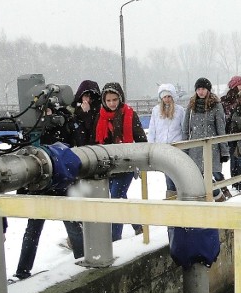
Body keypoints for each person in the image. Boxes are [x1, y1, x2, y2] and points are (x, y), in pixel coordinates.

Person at [14, 83, 92, 280]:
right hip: (42, 182)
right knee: (35, 229)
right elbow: (25, 152)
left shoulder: (63, 120)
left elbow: (72, 146)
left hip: (59, 180)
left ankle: (82, 260)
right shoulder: (31, 124)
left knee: (71, 226)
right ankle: (22, 270)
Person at [94, 82, 147, 241]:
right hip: (108, 165)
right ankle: (137, 225)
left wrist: (136, 155)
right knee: (120, 196)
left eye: (115, 99)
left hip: (127, 163)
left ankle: (114, 238)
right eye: (108, 100)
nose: (111, 103)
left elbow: (141, 139)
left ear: (120, 98)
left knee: (116, 198)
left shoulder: (129, 114)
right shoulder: (101, 116)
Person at [182, 77, 230, 201]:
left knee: (210, 174)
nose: (200, 92)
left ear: (208, 90)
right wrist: (185, 149)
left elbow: (221, 129)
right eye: (198, 89)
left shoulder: (216, 105)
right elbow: (186, 129)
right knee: (199, 176)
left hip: (212, 147)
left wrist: (224, 151)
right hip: (195, 148)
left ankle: (219, 197)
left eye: (203, 89)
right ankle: (216, 197)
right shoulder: (191, 106)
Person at [147, 83, 185, 198]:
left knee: (176, 174)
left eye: (169, 96)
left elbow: (183, 128)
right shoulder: (156, 111)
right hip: (163, 148)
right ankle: (172, 196)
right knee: (168, 174)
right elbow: (152, 129)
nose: (167, 99)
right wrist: (151, 146)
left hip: (176, 147)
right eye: (164, 97)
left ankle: (175, 195)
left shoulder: (180, 110)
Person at [221, 75, 241, 194]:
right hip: (232, 133)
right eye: (240, 84)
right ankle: (237, 184)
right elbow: (226, 117)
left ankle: (239, 183)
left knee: (239, 158)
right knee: (235, 159)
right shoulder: (226, 100)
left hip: (239, 132)